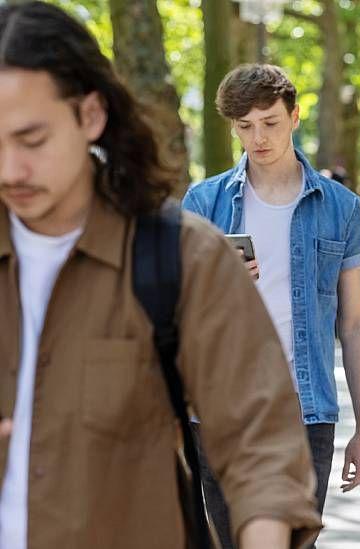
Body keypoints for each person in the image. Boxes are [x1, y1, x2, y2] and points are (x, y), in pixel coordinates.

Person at [0, 3, 321, 548]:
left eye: (31, 141)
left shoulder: (182, 257)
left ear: (91, 117)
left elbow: (260, 449)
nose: (9, 169)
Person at [183, 64, 360, 548]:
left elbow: (353, 323)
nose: (258, 137)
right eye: (244, 127)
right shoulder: (203, 202)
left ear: (294, 115)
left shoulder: (340, 207)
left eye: (269, 122)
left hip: (307, 413)